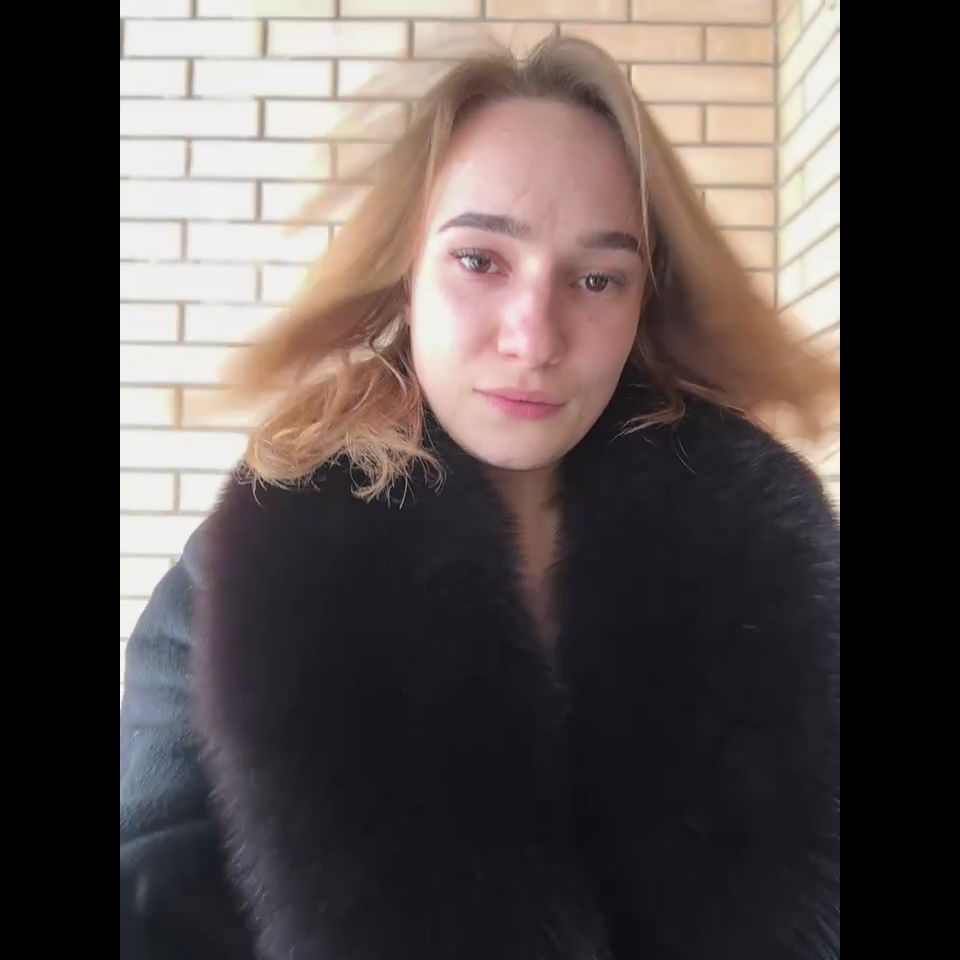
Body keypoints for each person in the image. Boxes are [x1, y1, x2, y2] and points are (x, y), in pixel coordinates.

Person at [120, 36, 840, 960]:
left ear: (644, 303)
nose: (535, 338)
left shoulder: (777, 562)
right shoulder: (237, 581)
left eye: (596, 279)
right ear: (405, 274)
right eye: (480, 260)